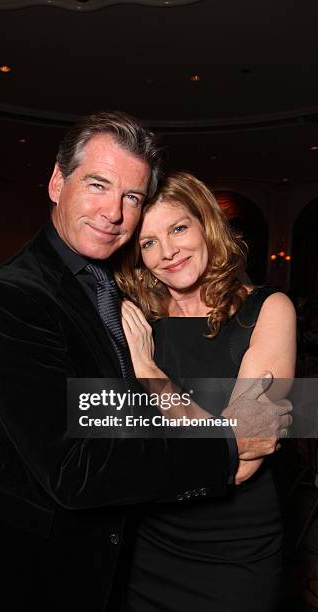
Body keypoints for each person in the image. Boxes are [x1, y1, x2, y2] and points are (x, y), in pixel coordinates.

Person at [0, 112, 291, 612]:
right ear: (58, 182)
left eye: (132, 198)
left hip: (191, 544)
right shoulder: (15, 295)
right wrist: (227, 435)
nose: (113, 213)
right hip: (70, 556)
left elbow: (116, 417)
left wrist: (124, 396)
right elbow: (74, 466)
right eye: (97, 185)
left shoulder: (113, 291)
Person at [117, 171, 296, 611]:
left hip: (234, 552)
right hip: (145, 543)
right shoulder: (136, 319)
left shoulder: (268, 309)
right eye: (148, 242)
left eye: (178, 228)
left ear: (206, 224)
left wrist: (149, 372)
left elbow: (239, 461)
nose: (168, 252)